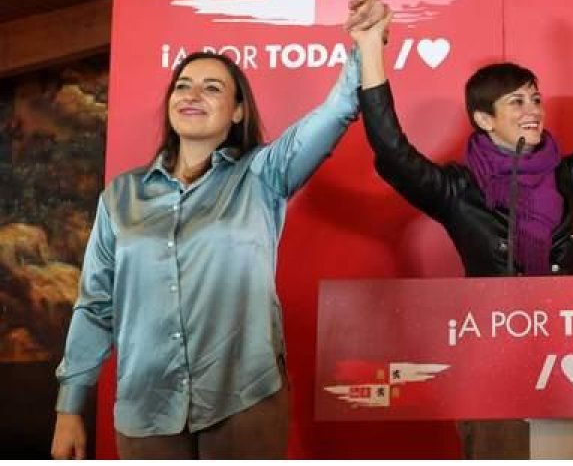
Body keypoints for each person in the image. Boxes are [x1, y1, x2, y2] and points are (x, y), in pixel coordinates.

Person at [344, 0, 573, 458]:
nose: (532, 110)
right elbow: (392, 151)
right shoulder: (458, 191)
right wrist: (370, 49)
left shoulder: (565, 176)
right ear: (484, 119)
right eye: (516, 102)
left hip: (572, 352)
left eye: (535, 99)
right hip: (489, 365)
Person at [50, 43, 362, 459]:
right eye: (183, 86)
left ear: (237, 111)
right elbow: (95, 305)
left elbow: (338, 108)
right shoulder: (120, 197)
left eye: (212, 87)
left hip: (245, 400)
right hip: (146, 408)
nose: (192, 95)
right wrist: (69, 407)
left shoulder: (261, 175)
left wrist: (368, 42)